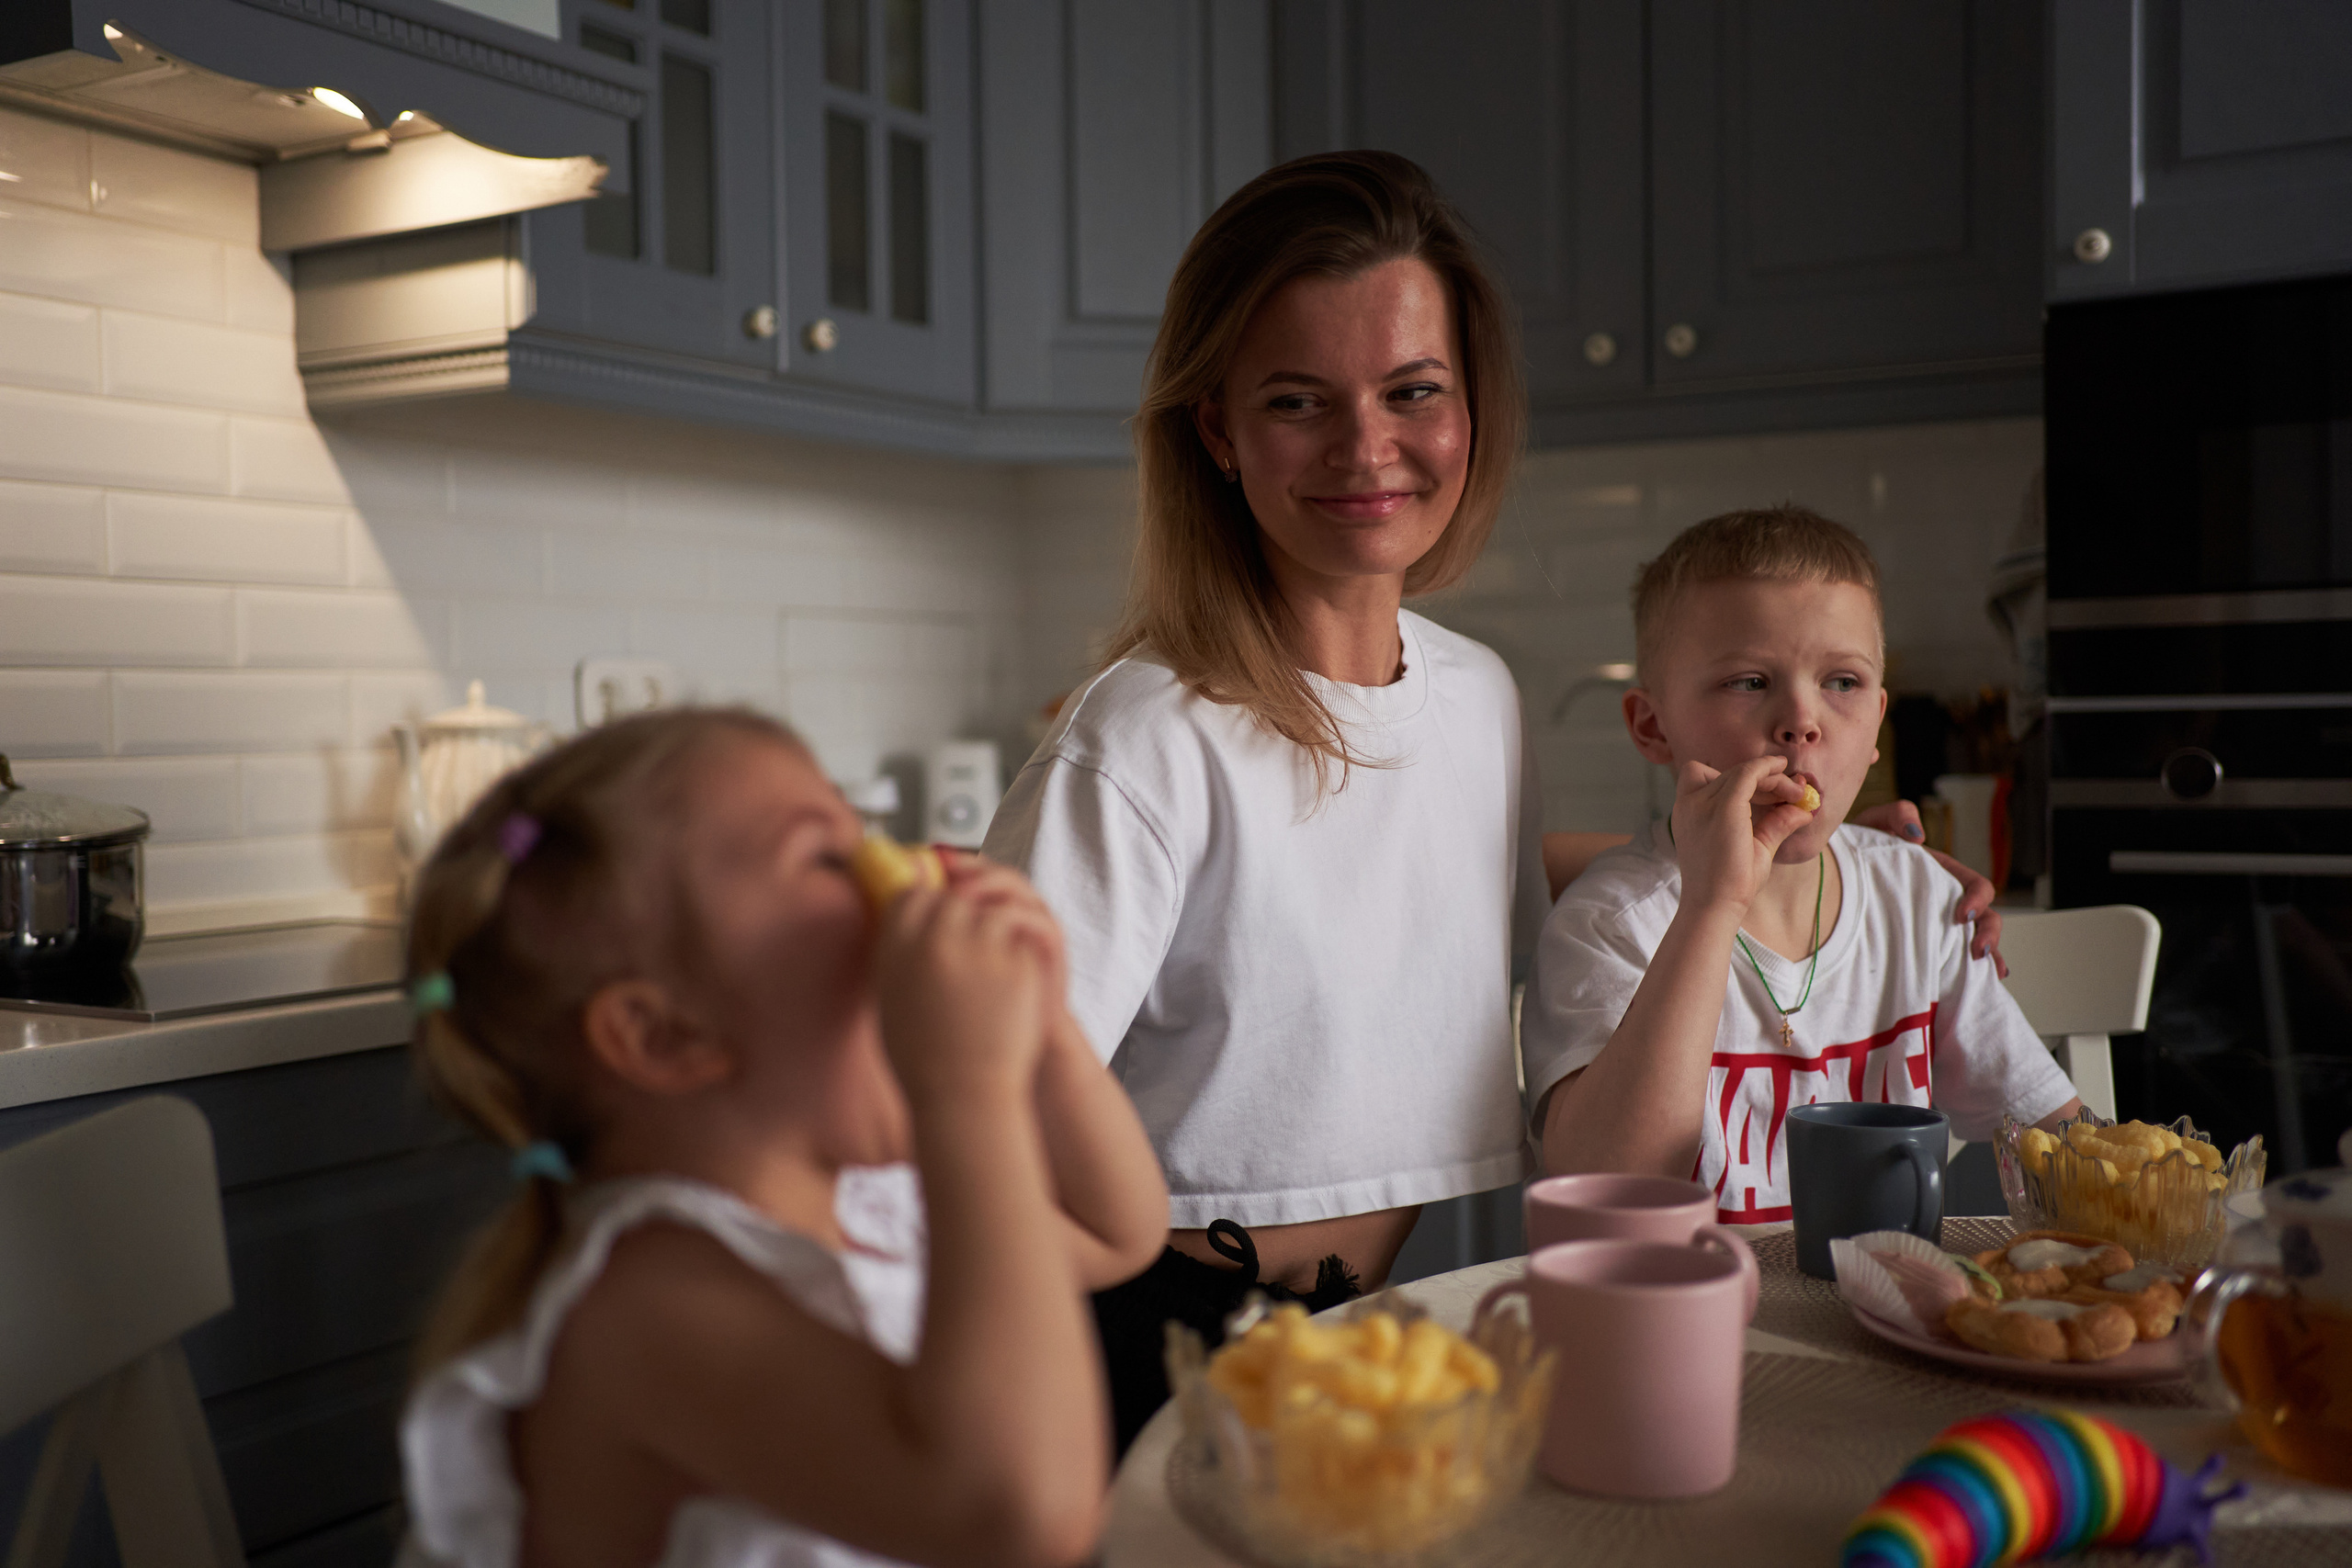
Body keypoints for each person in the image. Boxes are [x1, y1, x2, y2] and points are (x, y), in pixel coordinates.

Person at [394, 709, 1167, 1568]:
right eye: (828, 858)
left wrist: (1048, 1025)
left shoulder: (873, 1207)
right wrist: (966, 1092)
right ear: (665, 1036)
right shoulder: (648, 1305)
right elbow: (1017, 1513)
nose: (909, 874)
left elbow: (1118, 1230)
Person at [1523, 508, 2081, 1222]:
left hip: (1873, 1318)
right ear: (1652, 725)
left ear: (1879, 721)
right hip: (1676, 1322)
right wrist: (1711, 905)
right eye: (1749, 681)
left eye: (1841, 682)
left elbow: (2059, 1141)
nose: (1801, 719)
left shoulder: (1915, 900)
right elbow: (1608, 1187)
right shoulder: (1610, 922)